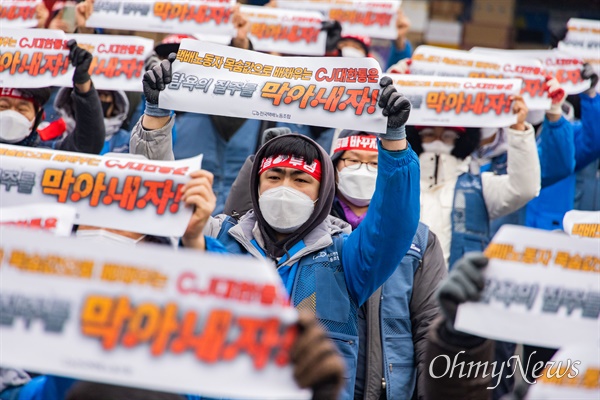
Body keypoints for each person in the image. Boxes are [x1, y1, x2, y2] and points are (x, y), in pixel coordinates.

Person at [137, 54, 421, 399]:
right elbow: (163, 202)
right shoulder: (215, 236)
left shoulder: (346, 257)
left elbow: (394, 224)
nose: (285, 187)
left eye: (301, 179)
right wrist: (155, 114)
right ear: (257, 186)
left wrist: (394, 139)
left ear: (322, 193)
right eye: (274, 176)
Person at [329, 130, 447, 400]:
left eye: (374, 163)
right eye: (352, 161)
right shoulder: (315, 233)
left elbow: (432, 323)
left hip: (392, 388)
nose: (364, 170)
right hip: (327, 384)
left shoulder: (419, 239)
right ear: (334, 166)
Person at [406, 95, 541, 268]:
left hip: (458, 289)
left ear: (463, 139)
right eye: (429, 134)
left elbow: (524, 189)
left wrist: (518, 128)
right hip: (405, 290)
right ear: (416, 138)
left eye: (448, 135)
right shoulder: (401, 186)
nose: (438, 141)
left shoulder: (481, 186)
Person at [2, 40, 105, 154]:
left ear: (37, 116)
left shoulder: (49, 155)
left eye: (22, 109)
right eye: (3, 106)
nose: (11, 114)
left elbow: (87, 145)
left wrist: (82, 82)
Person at [51, 89, 130, 155]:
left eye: (105, 95)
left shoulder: (126, 141)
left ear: (115, 104)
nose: (98, 101)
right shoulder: (52, 132)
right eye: (95, 95)